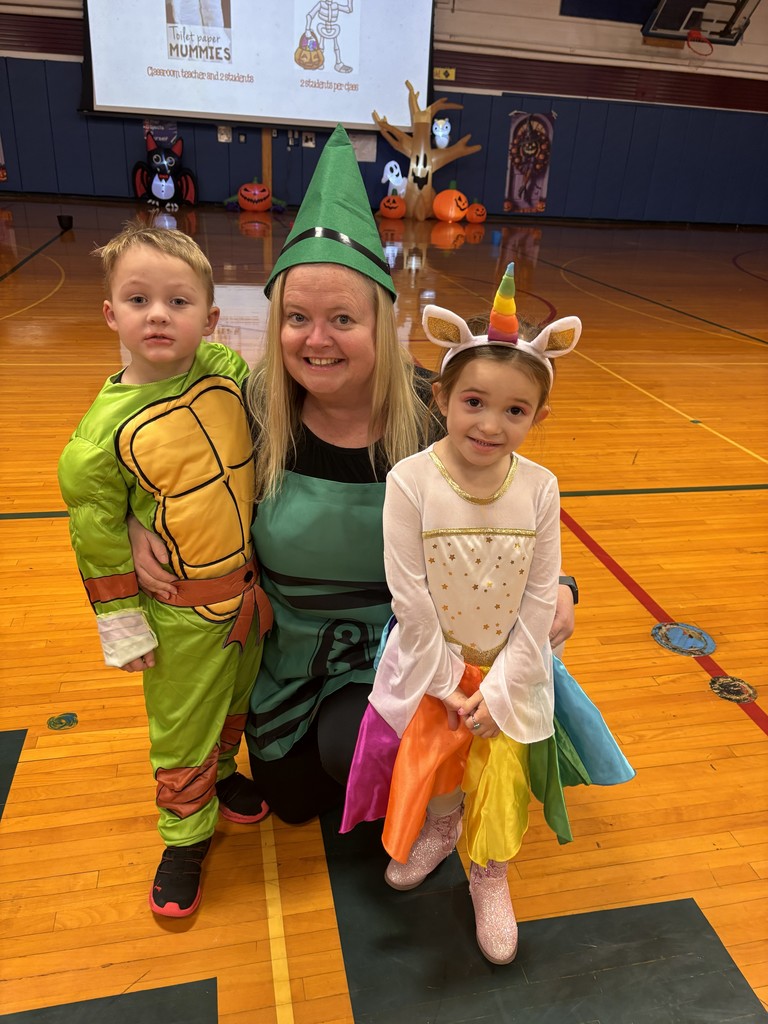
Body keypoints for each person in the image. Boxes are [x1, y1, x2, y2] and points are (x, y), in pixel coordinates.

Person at [129, 125, 579, 826]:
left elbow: (516, 504)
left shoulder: (437, 414)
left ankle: (439, 798)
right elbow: (141, 445)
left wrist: (562, 586)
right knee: (295, 804)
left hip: (407, 648)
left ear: (382, 323)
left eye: (343, 318)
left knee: (358, 753)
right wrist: (136, 521)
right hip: (293, 651)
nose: (317, 339)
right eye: (298, 318)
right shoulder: (250, 410)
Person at [341, 265, 634, 965]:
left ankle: (489, 873)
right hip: (433, 663)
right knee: (440, 767)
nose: (491, 424)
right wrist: (449, 680)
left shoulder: (539, 487)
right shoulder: (409, 481)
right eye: (474, 401)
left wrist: (500, 688)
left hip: (510, 668)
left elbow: (539, 598)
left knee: (499, 778)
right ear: (442, 396)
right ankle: (443, 833)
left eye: (515, 411)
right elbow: (406, 593)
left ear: (538, 416)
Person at [58, 222, 272, 919]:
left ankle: (227, 774)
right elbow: (94, 531)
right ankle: (184, 837)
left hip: (248, 597)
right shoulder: (99, 437)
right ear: (110, 313)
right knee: (181, 729)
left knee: (235, 703)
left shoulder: (228, 372)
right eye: (139, 299)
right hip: (180, 613)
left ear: (210, 320)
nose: (158, 314)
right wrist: (122, 623)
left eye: (178, 302)